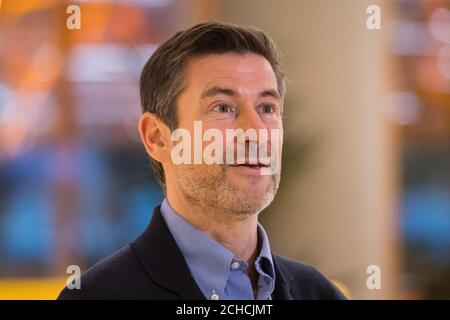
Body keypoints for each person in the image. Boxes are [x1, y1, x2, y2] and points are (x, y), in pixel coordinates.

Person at [58, 21, 345, 300]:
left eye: (267, 108)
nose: (256, 132)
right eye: (223, 107)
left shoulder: (319, 293)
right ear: (157, 138)